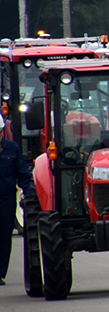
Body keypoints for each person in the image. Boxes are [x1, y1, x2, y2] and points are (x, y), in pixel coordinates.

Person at [0, 115, 35, 285]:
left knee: (4, 236)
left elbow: (22, 173)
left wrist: (27, 193)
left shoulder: (12, 149)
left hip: (6, 199)